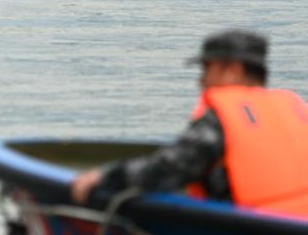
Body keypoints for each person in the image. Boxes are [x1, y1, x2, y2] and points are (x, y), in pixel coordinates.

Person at [71, 29, 308, 218]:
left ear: (232, 70)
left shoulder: (223, 118)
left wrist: (107, 177)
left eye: (207, 69)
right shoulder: (296, 110)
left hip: (253, 232)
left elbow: (168, 169)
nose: (201, 80)